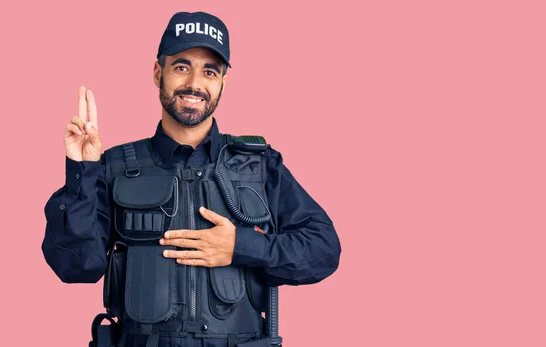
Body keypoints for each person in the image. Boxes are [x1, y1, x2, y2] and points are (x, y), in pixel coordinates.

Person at [42, 11, 341, 347]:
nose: (195, 84)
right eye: (182, 67)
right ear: (158, 73)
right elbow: (76, 267)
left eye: (210, 71)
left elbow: (323, 250)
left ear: (223, 82)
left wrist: (240, 246)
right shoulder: (112, 167)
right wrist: (82, 170)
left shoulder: (261, 166)